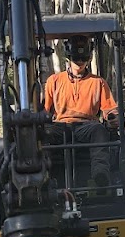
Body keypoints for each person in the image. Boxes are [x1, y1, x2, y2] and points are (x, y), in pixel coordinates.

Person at [43, 36, 118, 188]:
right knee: (43, 133)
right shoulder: (54, 81)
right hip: (60, 126)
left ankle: (100, 174)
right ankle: (45, 177)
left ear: (89, 58)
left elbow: (110, 108)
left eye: (83, 58)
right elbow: (45, 110)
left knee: (99, 129)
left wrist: (113, 117)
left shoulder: (98, 83)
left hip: (87, 126)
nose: (80, 62)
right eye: (77, 58)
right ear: (69, 57)